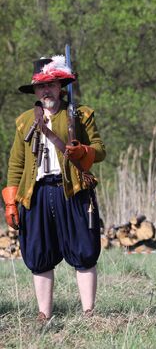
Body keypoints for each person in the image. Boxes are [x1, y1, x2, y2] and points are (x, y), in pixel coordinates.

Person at [2, 55, 106, 321]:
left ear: (61, 86)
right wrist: (11, 201)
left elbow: (100, 150)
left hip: (72, 190)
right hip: (36, 193)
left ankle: (88, 311)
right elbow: (16, 164)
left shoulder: (80, 115)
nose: (46, 90)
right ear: (35, 91)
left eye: (51, 85)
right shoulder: (24, 121)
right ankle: (43, 313)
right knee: (38, 253)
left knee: (83, 250)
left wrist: (82, 150)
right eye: (40, 86)